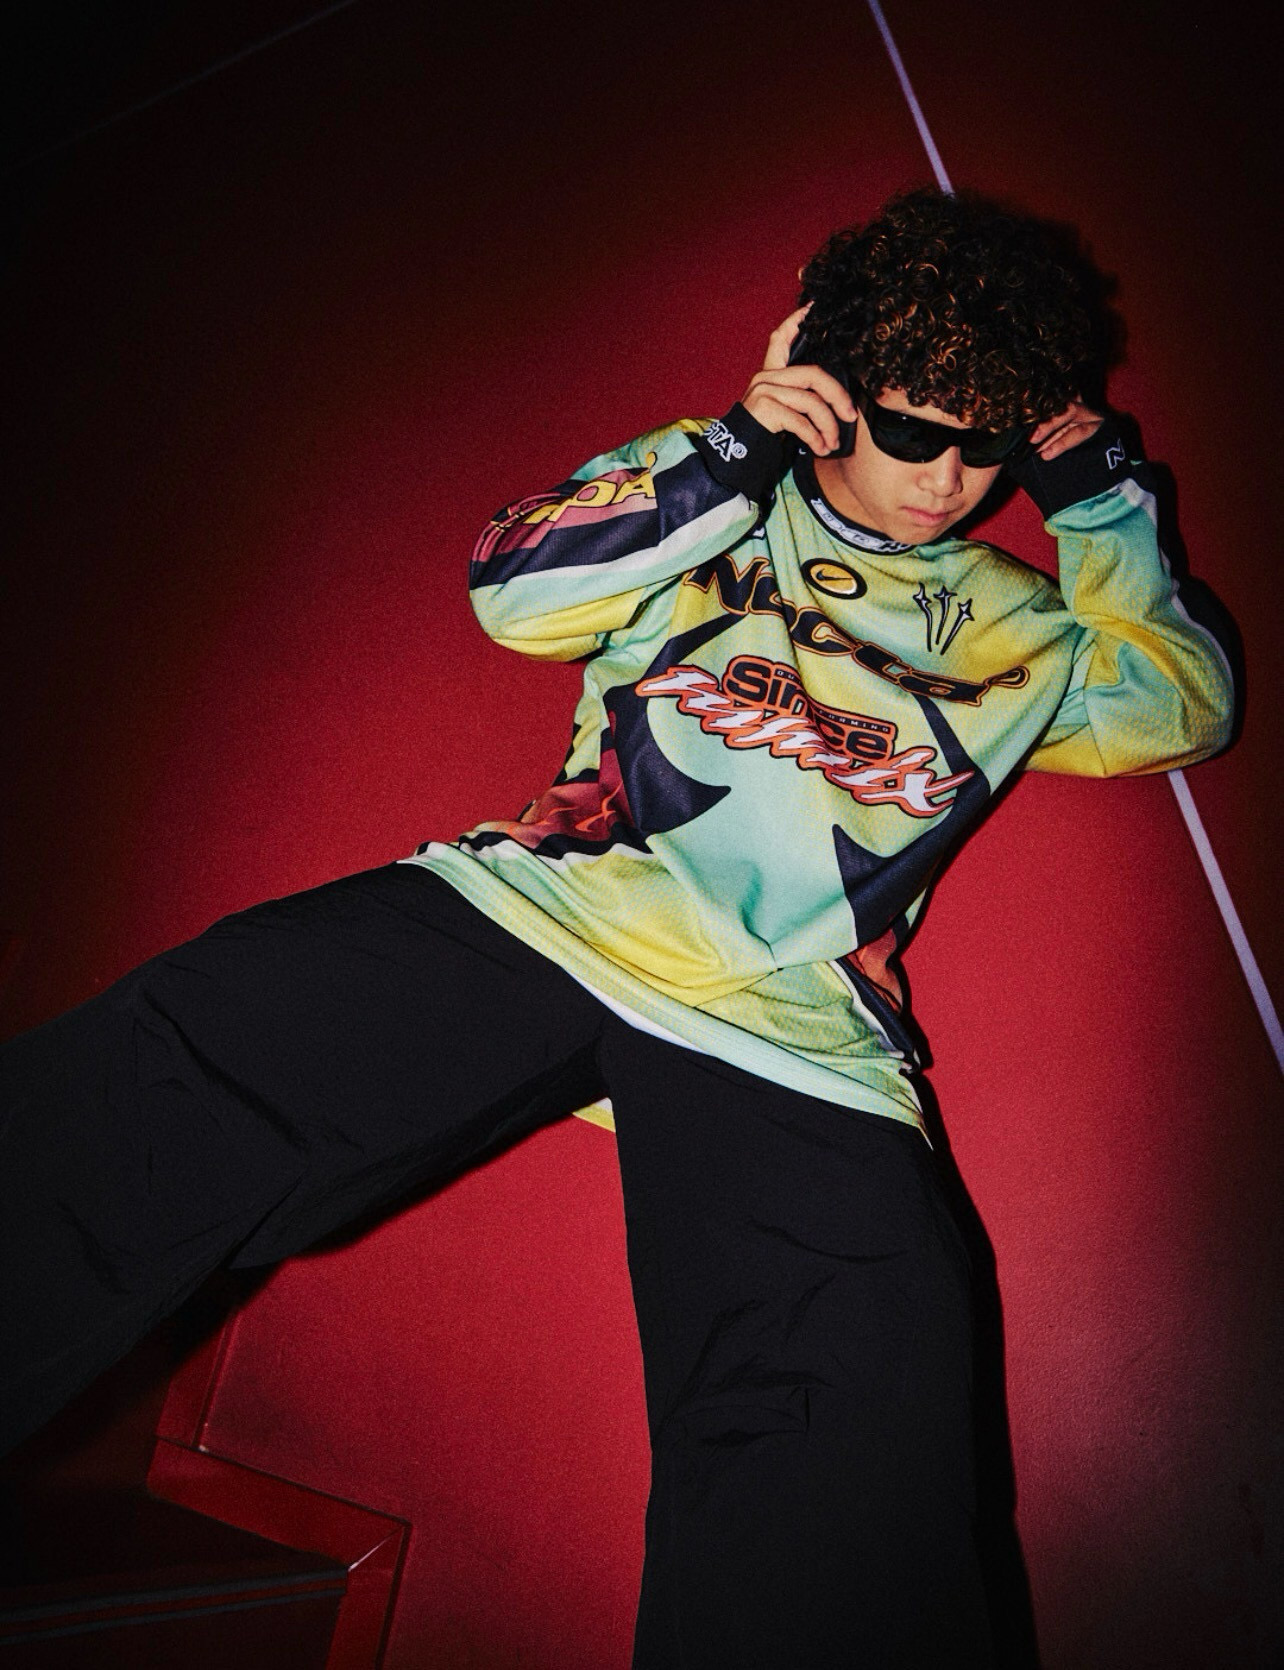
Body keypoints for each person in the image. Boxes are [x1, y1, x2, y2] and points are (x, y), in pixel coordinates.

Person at [0, 187, 1235, 1667]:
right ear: (836, 385)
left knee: (857, 1443)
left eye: (991, 447)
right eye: (917, 431)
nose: (949, 481)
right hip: (556, 906)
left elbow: (1181, 706)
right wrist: (737, 445)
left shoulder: (1018, 622)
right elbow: (513, 592)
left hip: (790, 1020)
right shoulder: (719, 499)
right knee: (177, 1061)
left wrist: (1097, 497)